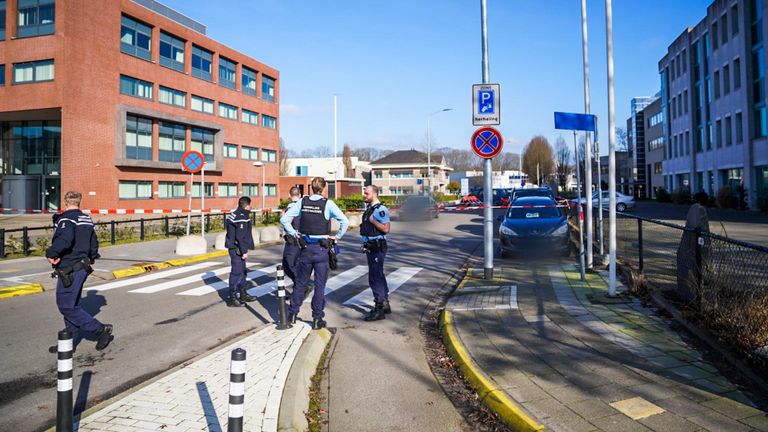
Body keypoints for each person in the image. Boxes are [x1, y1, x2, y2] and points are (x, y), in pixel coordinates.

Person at [46, 191, 113, 351]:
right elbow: (94, 243)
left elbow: (65, 240)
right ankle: (68, 343)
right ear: (79, 202)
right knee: (72, 305)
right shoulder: (86, 219)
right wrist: (91, 258)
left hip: (70, 267)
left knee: (66, 306)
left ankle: (100, 329)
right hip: (82, 267)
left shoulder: (66, 219)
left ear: (65, 202)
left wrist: (51, 253)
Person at [280, 177, 348, 330]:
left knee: (300, 282)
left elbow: (284, 220)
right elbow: (345, 221)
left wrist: (295, 233)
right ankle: (317, 318)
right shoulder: (327, 204)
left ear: (311, 188)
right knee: (319, 285)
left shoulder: (302, 202)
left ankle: (292, 314)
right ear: (323, 189)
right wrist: (336, 237)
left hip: (305, 249)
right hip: (321, 250)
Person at [359, 185, 391, 321]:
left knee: (375, 277)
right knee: (378, 275)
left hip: (377, 247)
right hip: (371, 246)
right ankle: (384, 303)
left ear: (374, 194)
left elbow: (386, 228)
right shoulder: (370, 209)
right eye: (364, 193)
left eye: (367, 194)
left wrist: (373, 221)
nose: (364, 196)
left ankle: (379, 308)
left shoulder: (380, 209)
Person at [225, 196, 256, 307]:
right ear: (247, 205)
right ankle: (232, 298)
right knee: (236, 272)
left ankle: (243, 293)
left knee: (243, 271)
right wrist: (244, 251)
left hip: (235, 247)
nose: (251, 207)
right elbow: (240, 236)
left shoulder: (235, 214)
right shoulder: (241, 217)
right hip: (237, 248)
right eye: (250, 205)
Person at [282, 187, 302, 285]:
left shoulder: (290, 207)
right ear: (300, 195)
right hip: (303, 238)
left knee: (288, 264)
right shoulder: (303, 206)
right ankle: (299, 289)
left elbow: (288, 222)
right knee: (297, 264)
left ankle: (301, 285)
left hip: (292, 239)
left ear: (289, 195)